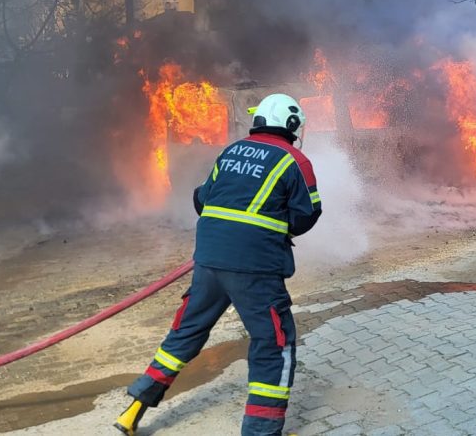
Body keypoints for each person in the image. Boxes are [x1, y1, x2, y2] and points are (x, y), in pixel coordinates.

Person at [115, 93, 322, 436]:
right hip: (255, 269)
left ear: (259, 121)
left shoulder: (231, 151)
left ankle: (133, 408)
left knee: (185, 332)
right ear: (291, 125)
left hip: (209, 262)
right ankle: (261, 432)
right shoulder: (294, 160)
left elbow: (201, 198)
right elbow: (307, 215)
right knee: (274, 344)